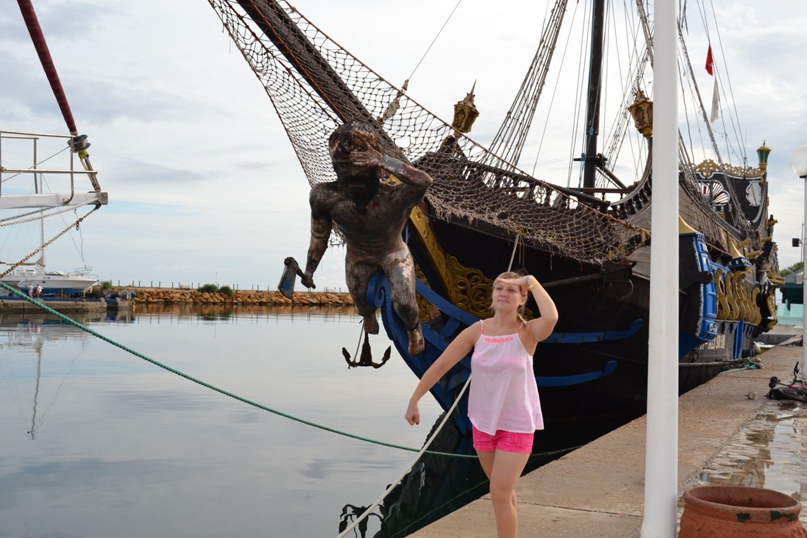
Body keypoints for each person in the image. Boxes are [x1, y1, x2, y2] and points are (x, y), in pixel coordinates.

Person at [405, 272, 558, 538]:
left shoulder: (528, 333)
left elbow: (552, 317)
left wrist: (531, 280)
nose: (503, 293)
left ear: (522, 299)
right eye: (499, 288)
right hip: (483, 424)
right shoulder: (478, 331)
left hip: (517, 425)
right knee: (504, 493)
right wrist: (414, 398)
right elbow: (442, 365)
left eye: (512, 290)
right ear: (492, 295)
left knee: (498, 494)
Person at [301, 121, 433, 356]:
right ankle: (368, 317)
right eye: (346, 170)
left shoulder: (394, 195)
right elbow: (319, 235)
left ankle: (414, 328)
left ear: (375, 169)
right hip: (358, 255)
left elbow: (424, 181)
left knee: (404, 302)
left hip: (393, 252)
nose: (353, 175)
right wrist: (310, 269)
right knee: (361, 301)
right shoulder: (325, 197)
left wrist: (383, 159)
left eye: (360, 170)